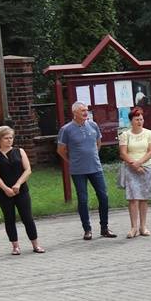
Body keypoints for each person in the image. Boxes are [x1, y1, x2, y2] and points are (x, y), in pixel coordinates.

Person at [57, 102, 115, 240]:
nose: (85, 112)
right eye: (82, 110)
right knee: (83, 199)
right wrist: (71, 161)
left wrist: (92, 155)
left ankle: (104, 228)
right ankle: (87, 229)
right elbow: (61, 150)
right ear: (74, 112)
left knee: (104, 196)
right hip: (78, 170)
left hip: (95, 168)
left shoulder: (93, 125)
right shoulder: (66, 129)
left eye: (86, 110)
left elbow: (98, 143)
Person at [0, 125, 43, 255]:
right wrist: (6, 189)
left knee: (27, 218)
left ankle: (36, 245)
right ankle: (15, 246)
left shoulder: (20, 151)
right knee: (9, 219)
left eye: (11, 137)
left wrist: (18, 184)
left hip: (21, 190)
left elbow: (28, 170)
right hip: (4, 192)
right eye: (6, 138)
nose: (9, 140)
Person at [117, 107, 151, 238]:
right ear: (131, 121)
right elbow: (123, 153)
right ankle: (133, 227)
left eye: (141, 119)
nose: (140, 122)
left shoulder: (149, 133)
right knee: (133, 198)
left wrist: (139, 163)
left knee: (144, 198)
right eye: (137, 119)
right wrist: (134, 165)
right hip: (131, 168)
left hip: (146, 168)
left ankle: (143, 226)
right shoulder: (125, 135)